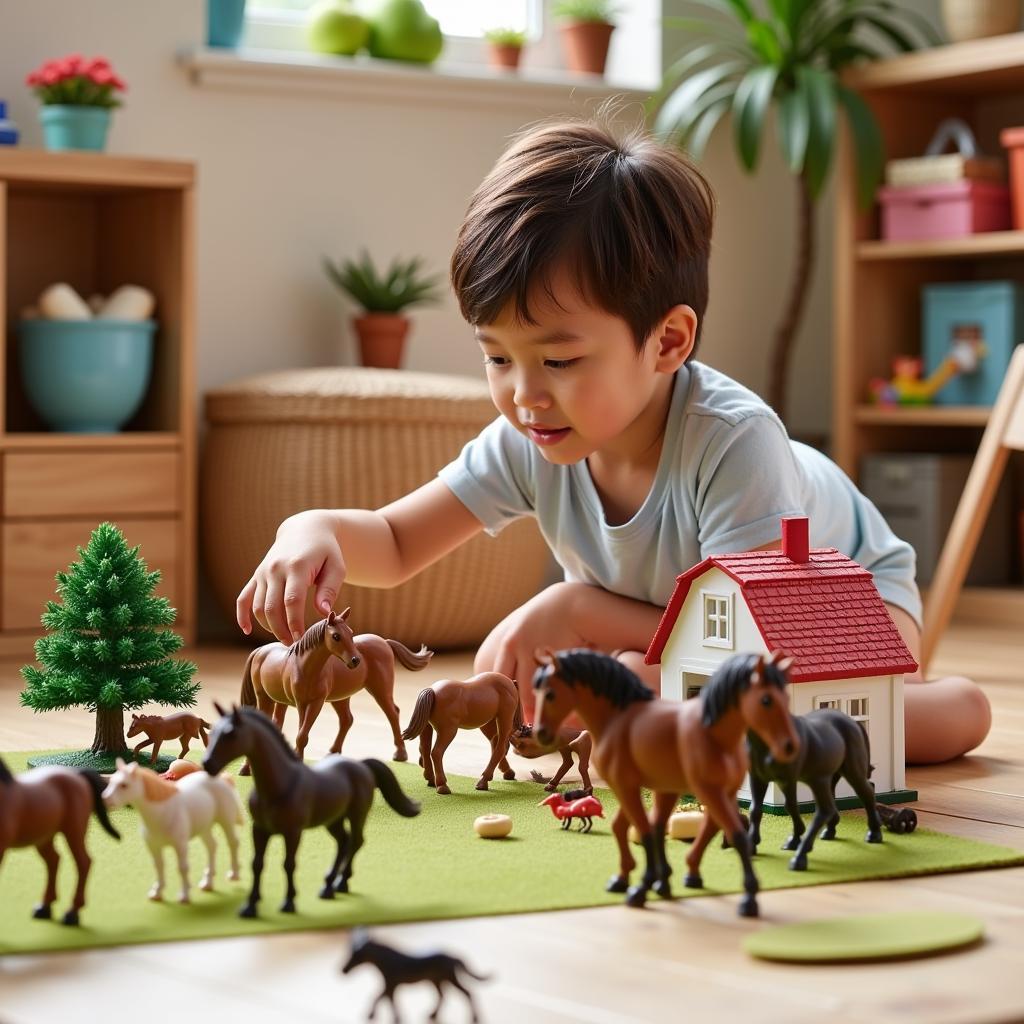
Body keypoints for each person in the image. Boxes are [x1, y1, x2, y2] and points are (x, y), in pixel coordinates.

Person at [236, 118, 990, 765]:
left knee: (799, 717)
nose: (524, 393)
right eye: (497, 356)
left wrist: (577, 610)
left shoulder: (735, 443)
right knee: (637, 695)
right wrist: (316, 530)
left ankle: (951, 703)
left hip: (835, 603)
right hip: (692, 631)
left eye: (558, 360)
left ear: (667, 342)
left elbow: (752, 641)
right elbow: (398, 543)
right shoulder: (531, 435)